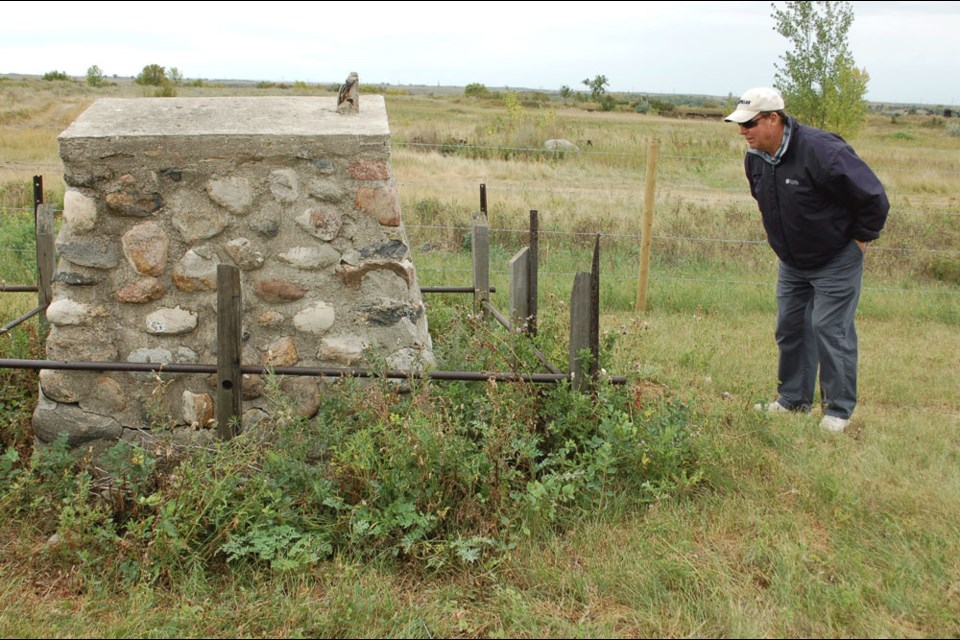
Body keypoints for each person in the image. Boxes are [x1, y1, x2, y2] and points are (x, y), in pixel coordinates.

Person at [725, 87, 889, 433]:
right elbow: (765, 199)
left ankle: (838, 412)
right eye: (740, 125)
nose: (743, 131)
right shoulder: (754, 157)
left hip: (836, 257)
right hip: (792, 261)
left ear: (774, 119)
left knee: (830, 328)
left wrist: (859, 240)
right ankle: (792, 400)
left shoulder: (822, 150)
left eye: (750, 123)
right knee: (790, 328)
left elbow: (873, 197)